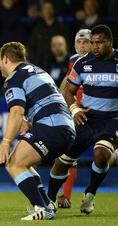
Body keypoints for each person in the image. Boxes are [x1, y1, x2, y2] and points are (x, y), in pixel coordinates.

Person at [0, 41, 76, 220]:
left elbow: (16, 111)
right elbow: (47, 101)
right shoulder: (39, 71)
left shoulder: (14, 79)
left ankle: (41, 208)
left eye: (0, 61)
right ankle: (47, 204)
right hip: (66, 128)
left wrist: (6, 142)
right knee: (24, 163)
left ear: (5, 59)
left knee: (13, 163)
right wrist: (31, 121)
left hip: (52, 126)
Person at [47, 24, 118, 215]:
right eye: (92, 42)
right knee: (63, 162)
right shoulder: (82, 63)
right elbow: (68, 92)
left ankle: (90, 195)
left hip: (110, 120)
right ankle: (50, 199)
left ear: (110, 43)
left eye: (99, 43)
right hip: (85, 119)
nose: (94, 47)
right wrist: (74, 109)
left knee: (101, 155)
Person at [55, 28, 91, 208]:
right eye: (79, 42)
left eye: (86, 42)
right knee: (67, 155)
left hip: (97, 113)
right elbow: (67, 84)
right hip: (76, 113)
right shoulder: (73, 61)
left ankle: (89, 195)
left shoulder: (101, 61)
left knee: (104, 156)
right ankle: (65, 197)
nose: (82, 46)